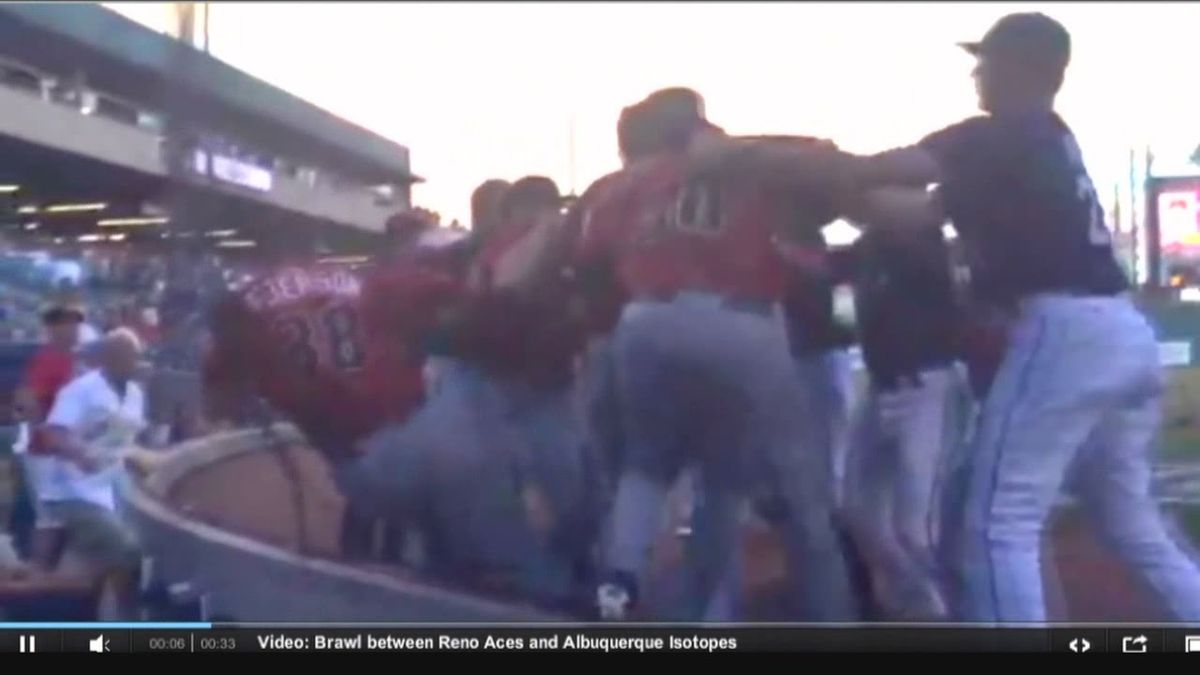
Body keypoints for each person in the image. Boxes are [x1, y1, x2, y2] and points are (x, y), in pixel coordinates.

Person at [766, 13, 1200, 622]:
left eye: (986, 62)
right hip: (1118, 332)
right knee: (1128, 522)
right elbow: (915, 213)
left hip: (1063, 328)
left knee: (995, 520)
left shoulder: (1001, 132)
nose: (978, 74)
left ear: (1020, 68)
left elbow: (886, 170)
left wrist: (796, 160)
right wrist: (842, 190)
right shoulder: (1040, 140)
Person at [579, 88, 856, 621]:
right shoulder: (746, 163)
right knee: (773, 490)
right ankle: (825, 620)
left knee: (647, 469)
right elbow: (825, 162)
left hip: (646, 320)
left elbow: (590, 264)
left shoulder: (621, 185)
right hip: (740, 321)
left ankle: (619, 595)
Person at [838, 225, 965, 620]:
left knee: (916, 526)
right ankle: (920, 600)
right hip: (882, 387)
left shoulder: (926, 247)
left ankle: (956, 607)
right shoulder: (869, 245)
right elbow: (824, 268)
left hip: (928, 385)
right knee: (857, 508)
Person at [40, 329, 147, 619]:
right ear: (109, 358)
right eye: (128, 357)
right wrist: (78, 453)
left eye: (137, 357)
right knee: (126, 549)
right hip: (75, 491)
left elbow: (129, 443)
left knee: (142, 551)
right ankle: (128, 620)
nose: (135, 363)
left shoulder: (136, 395)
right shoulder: (80, 391)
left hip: (117, 488)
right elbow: (53, 434)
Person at [11, 297, 87, 570]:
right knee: (51, 519)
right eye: (68, 323)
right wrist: (47, 434)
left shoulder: (73, 360)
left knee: (67, 517)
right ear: (54, 329)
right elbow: (27, 400)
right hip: (46, 453)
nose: (74, 329)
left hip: (68, 452)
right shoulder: (49, 360)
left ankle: (51, 573)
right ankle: (39, 575)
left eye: (76, 323)